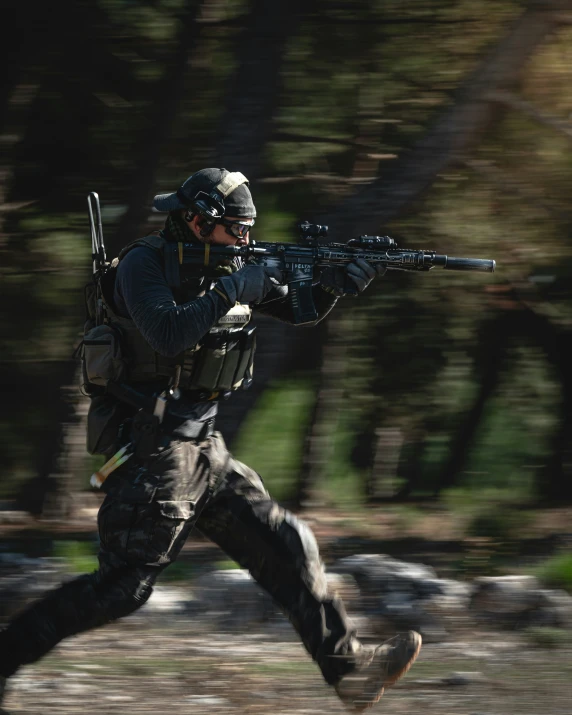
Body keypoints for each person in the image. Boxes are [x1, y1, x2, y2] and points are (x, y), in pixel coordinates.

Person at [0, 168, 421, 712]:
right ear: (197, 222)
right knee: (121, 589)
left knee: (287, 545)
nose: (244, 243)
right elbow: (167, 331)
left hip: (205, 448)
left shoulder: (228, 263)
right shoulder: (142, 264)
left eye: (248, 232)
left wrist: (333, 285)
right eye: (234, 231)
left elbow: (299, 308)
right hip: (153, 448)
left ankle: (351, 672)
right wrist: (231, 288)